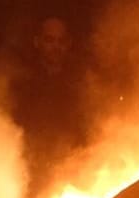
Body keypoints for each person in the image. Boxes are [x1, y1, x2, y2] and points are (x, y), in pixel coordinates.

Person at [9, 15, 87, 188]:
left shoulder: (79, 84)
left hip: (73, 172)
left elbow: (85, 128)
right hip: (31, 173)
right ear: (37, 42)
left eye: (61, 41)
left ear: (68, 44)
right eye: (50, 40)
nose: (56, 47)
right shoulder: (23, 84)